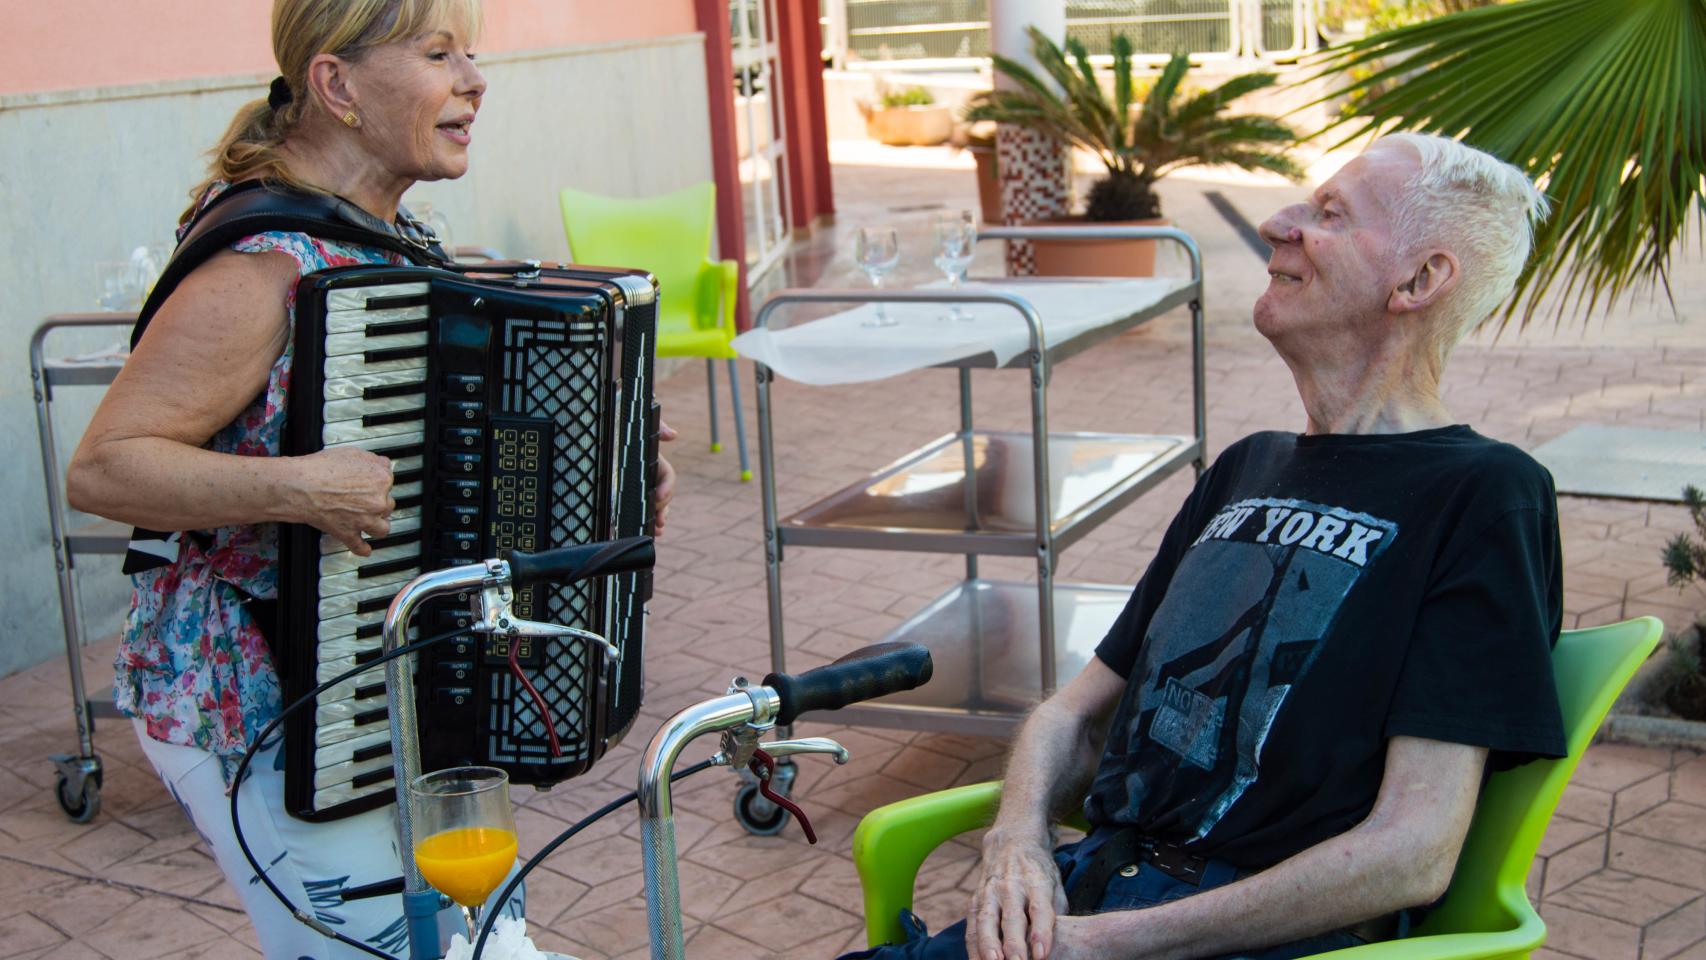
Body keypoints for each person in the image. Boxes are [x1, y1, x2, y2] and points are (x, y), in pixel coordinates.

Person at [842, 133, 1563, 960]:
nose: (1276, 223)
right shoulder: (1244, 468)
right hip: (1092, 895)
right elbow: (1073, 714)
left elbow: (1413, 851)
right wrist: (1018, 839)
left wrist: (1116, 944)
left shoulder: (1484, 492)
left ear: (1420, 280)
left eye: (1329, 213)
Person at [65, 1, 677, 956]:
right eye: (438, 53)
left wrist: (609, 487)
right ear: (336, 85)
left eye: (471, 52)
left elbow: (459, 479)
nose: (474, 79)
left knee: (477, 941)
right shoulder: (261, 263)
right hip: (258, 698)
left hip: (395, 689)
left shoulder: (396, 244)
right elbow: (103, 466)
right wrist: (300, 487)